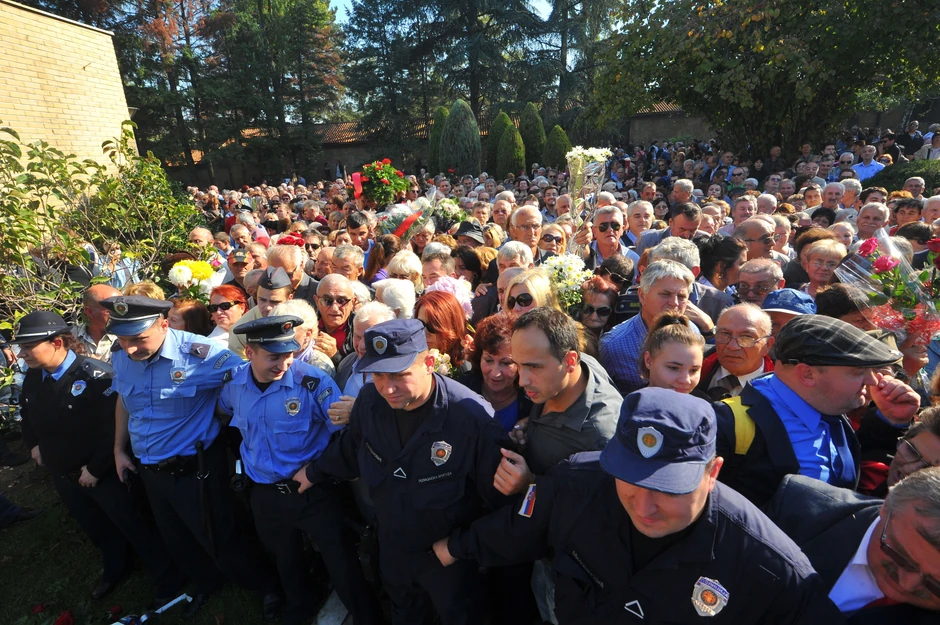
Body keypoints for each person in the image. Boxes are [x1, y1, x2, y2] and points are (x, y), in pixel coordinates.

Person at [433, 388, 842, 624]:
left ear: (713, 472)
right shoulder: (578, 483)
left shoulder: (770, 568)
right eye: (630, 480)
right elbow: (519, 529)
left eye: (669, 489)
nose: (645, 506)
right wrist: (451, 548)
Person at [293, 319, 511, 625]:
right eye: (379, 375)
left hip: (448, 557)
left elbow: (501, 506)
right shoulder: (371, 400)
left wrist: (457, 548)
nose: (388, 387)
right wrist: (313, 473)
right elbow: (353, 446)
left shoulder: (471, 419)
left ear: (429, 364)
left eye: (399, 375)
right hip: (394, 546)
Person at [102, 295, 280, 619]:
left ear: (163, 325)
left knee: (219, 534)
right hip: (149, 468)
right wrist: (118, 449)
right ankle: (207, 581)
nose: (129, 349)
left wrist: (225, 413)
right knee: (177, 537)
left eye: (138, 339)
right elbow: (124, 401)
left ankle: (266, 585)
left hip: (193, 468)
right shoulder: (122, 354)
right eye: (123, 339)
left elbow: (252, 379)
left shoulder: (201, 354)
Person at [219, 316, 381, 625]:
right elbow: (223, 412)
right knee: (285, 559)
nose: (284, 363)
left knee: (341, 561)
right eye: (274, 356)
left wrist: (318, 470)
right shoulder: (234, 385)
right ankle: (299, 607)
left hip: (312, 491)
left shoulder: (312, 383)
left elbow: (343, 433)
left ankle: (367, 616)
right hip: (265, 493)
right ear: (250, 352)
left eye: (289, 354)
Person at [14, 311, 180, 602]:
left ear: (56, 343)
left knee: (135, 524)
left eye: (29, 347)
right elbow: (27, 412)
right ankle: (116, 567)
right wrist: (34, 445)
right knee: (95, 526)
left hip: (102, 474)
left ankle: (167, 576)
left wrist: (95, 469)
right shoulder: (34, 376)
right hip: (64, 473)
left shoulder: (95, 376)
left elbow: (115, 429)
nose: (21, 354)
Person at [715, 315, 920, 507]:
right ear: (807, 374)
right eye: (858, 372)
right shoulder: (724, 425)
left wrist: (891, 420)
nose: (873, 381)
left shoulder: (828, 403)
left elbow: (857, 474)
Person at [766, 469, 940, 623]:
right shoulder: (797, 508)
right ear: (886, 507)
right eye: (901, 557)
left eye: (934, 584)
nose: (907, 584)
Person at [600, 259, 696, 393]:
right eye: (665, 294)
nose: (674, 303)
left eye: (681, 296)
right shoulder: (613, 345)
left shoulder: (694, 333)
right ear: (642, 295)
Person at [456, 313, 532, 432]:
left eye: (506, 363)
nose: (495, 373)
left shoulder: (533, 401)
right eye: (488, 360)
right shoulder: (460, 392)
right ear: (479, 357)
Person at [697, 304, 775, 400]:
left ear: (768, 345)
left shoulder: (781, 387)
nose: (732, 346)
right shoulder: (695, 362)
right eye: (725, 334)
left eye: (746, 337)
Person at [640, 312, 706, 397]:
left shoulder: (705, 404)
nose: (686, 380)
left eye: (694, 370)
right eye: (673, 368)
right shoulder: (629, 404)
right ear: (649, 361)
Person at [72, 284, 121, 362]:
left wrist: (102, 367)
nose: (119, 314)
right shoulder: (71, 337)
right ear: (89, 312)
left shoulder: (128, 337)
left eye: (121, 309)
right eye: (111, 311)